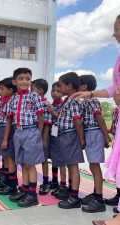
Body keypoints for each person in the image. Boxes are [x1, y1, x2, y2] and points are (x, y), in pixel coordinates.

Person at [72, 14, 120, 225]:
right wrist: (91, 94)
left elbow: (99, 118)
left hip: (94, 136)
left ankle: (102, 202)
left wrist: (105, 136)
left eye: (117, 28)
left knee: (98, 166)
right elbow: (114, 89)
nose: (113, 33)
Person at [3, 68, 45, 207]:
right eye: (21, 79)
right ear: (14, 81)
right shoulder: (13, 98)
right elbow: (9, 118)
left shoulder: (34, 96)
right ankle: (26, 189)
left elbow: (40, 116)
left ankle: (32, 195)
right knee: (22, 162)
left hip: (31, 131)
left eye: (27, 79)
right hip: (18, 132)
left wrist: (38, 133)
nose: (24, 81)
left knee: (31, 164)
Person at [77, 75, 110, 213]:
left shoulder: (92, 100)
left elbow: (99, 118)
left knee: (95, 166)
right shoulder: (85, 101)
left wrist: (106, 137)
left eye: (79, 85)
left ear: (84, 87)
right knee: (92, 164)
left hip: (94, 132)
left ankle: (99, 201)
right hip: (90, 132)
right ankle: (96, 194)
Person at [56, 72, 85, 209]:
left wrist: (81, 140)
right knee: (69, 165)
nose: (59, 88)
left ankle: (74, 197)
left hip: (70, 135)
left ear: (70, 86)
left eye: (61, 86)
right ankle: (70, 191)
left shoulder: (73, 100)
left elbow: (77, 121)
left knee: (73, 166)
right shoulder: (67, 100)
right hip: (64, 136)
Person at [31, 78, 57, 195]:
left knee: (44, 160)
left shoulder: (45, 104)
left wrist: (44, 139)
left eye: (33, 90)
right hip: (32, 135)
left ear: (40, 91)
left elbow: (47, 123)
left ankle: (46, 182)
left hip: (41, 137)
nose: (31, 92)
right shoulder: (33, 102)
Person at [0, 78, 17, 195]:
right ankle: (6, 181)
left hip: (8, 130)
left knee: (10, 158)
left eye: (2, 89)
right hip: (0, 128)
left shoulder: (11, 102)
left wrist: (6, 138)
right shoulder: (3, 101)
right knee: (5, 157)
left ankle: (12, 185)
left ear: (10, 90)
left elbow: (9, 120)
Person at [46, 82, 68, 199]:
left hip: (60, 135)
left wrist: (53, 112)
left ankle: (63, 185)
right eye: (53, 91)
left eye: (58, 91)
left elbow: (61, 119)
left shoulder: (63, 104)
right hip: (52, 134)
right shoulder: (51, 104)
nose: (55, 93)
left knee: (61, 161)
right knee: (54, 159)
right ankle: (54, 181)